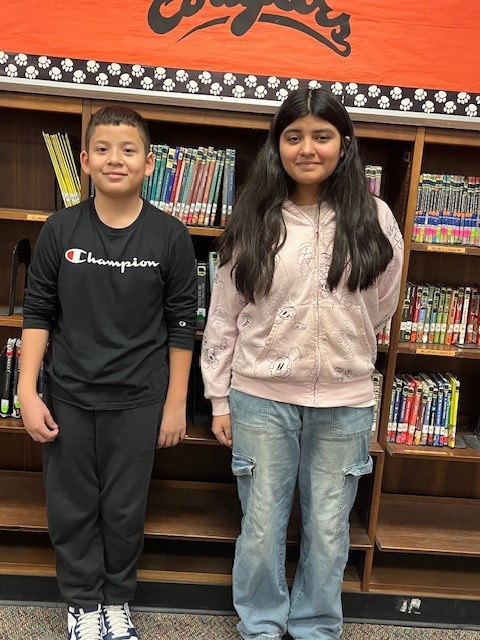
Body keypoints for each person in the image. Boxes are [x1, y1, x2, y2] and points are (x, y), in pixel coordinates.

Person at [201, 88, 404, 640]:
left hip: (345, 404)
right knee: (262, 525)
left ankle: (315, 626)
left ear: (344, 144)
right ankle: (262, 625)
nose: (307, 148)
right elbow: (224, 314)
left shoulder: (376, 219)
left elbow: (380, 304)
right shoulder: (256, 216)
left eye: (321, 135)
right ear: (277, 145)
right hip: (260, 398)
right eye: (294, 136)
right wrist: (220, 398)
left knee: (329, 528)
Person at [18, 106, 198, 640]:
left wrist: (174, 405)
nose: (114, 159)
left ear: (148, 162)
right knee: (71, 508)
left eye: (128, 149)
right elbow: (37, 314)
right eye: (102, 149)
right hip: (69, 395)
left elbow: (183, 325)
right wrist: (28, 391)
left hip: (140, 400)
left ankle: (116, 602)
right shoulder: (60, 229)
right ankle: (81, 605)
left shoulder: (170, 236)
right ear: (85, 161)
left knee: (123, 510)